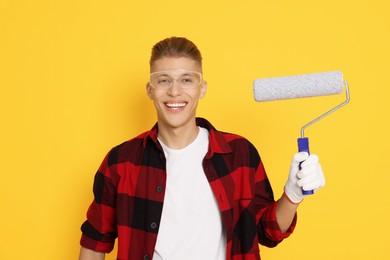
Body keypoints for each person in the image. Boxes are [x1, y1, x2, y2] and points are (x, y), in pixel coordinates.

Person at [78, 37, 325, 260]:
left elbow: (268, 232)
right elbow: (94, 242)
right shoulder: (120, 162)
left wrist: (293, 196)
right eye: (164, 81)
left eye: (186, 80)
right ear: (150, 90)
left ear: (201, 88)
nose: (175, 91)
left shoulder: (239, 154)